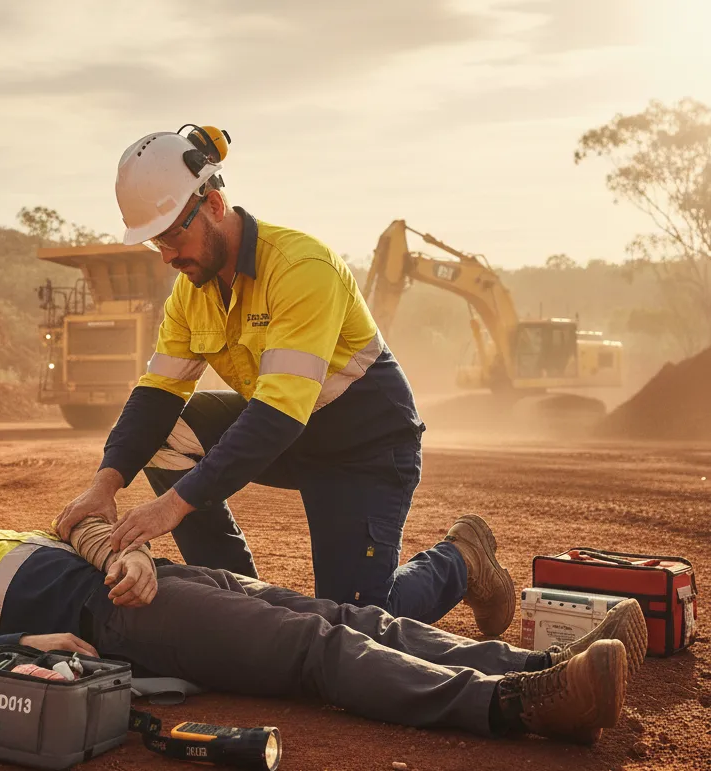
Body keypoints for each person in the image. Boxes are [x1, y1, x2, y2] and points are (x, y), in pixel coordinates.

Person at [55, 125, 513, 635]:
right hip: (291, 435)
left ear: (211, 204)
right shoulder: (191, 292)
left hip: (363, 446)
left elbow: (276, 415)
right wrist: (105, 483)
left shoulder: (302, 268)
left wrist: (173, 505)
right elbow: (156, 396)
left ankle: (462, 560)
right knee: (165, 436)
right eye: (154, 242)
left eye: (171, 235)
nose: (166, 255)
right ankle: (239, 599)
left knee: (355, 626)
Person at [0, 501, 648, 744]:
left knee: (346, 613)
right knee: (315, 648)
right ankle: (505, 705)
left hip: (152, 577)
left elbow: (72, 532)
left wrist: (96, 530)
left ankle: (524, 665)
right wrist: (22, 645)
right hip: (124, 617)